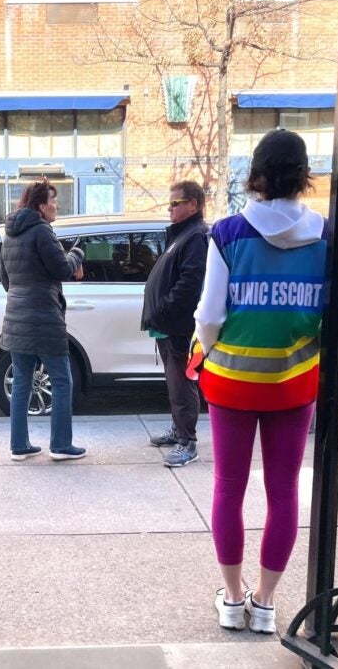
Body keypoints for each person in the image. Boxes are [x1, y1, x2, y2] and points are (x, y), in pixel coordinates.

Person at [193, 129, 326, 634]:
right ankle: (267, 604)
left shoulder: (227, 233)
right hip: (294, 382)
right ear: (302, 173)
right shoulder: (328, 234)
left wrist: (205, 353)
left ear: (257, 174)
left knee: (228, 487)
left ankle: (231, 599)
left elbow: (209, 314)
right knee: (284, 491)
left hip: (231, 381)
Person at [0, 179, 86, 461]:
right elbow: (62, 269)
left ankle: (19, 446)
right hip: (44, 318)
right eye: (53, 200)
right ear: (40, 206)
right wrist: (76, 253)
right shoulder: (42, 231)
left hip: (16, 317)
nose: (56, 206)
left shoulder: (9, 234)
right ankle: (60, 445)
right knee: (62, 381)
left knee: (22, 381)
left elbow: (5, 280)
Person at [140, 179, 208, 467]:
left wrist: (164, 312)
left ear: (193, 204)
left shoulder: (196, 236)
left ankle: (187, 443)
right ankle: (178, 430)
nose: (169, 208)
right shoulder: (182, 235)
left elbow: (190, 284)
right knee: (173, 383)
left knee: (182, 384)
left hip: (178, 326)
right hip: (167, 324)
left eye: (175, 203)